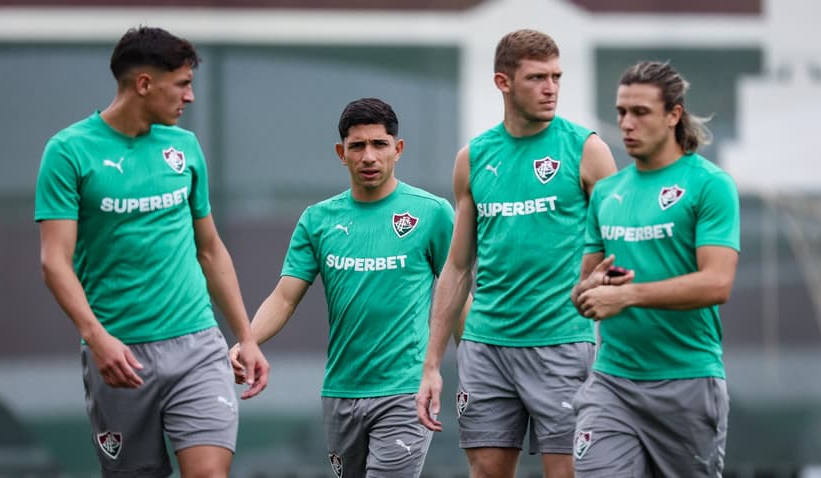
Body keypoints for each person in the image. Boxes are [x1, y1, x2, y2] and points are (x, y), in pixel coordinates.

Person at [35, 26, 269, 478]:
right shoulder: (68, 152)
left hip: (198, 344)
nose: (190, 97)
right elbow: (54, 262)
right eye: (182, 84)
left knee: (209, 473)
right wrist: (97, 338)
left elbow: (210, 250)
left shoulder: (184, 147)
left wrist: (246, 337)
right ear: (144, 84)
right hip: (119, 354)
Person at [416, 29, 618, 478]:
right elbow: (457, 267)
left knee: (568, 473)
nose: (550, 88)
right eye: (537, 78)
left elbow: (621, 252)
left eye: (556, 77)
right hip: (486, 347)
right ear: (502, 82)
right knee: (487, 472)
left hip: (563, 344)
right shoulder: (473, 158)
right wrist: (431, 364)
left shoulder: (588, 150)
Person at [229, 97, 458, 477]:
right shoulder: (317, 220)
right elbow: (284, 298)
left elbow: (458, 293)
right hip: (340, 393)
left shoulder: (432, 213)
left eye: (379, 144)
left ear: (398, 149)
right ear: (342, 153)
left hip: (405, 391)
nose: (369, 156)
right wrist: (247, 341)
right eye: (358, 146)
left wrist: (478, 368)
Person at [570, 60, 740, 477]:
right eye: (621, 112)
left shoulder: (710, 184)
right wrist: (589, 291)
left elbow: (717, 283)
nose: (627, 123)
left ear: (673, 115)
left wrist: (628, 295)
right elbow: (583, 291)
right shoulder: (606, 192)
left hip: (686, 383)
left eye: (641, 112)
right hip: (612, 383)